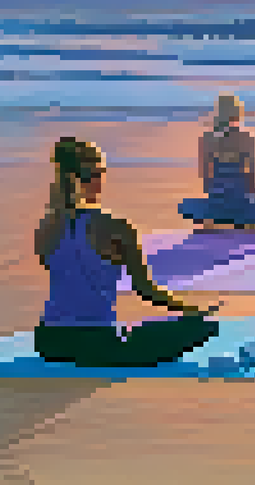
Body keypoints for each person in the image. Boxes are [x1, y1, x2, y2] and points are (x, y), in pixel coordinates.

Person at [34, 138, 222, 367]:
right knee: (204, 327)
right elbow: (146, 290)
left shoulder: (45, 227)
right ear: (92, 177)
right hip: (97, 342)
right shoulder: (115, 226)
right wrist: (193, 310)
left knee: (138, 330)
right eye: (101, 173)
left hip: (48, 341)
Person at [178, 94, 255, 231]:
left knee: (188, 206)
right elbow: (251, 174)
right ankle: (240, 215)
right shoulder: (245, 138)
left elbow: (205, 176)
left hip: (218, 194)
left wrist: (213, 192)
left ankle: (219, 214)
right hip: (240, 194)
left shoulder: (207, 138)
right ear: (237, 113)